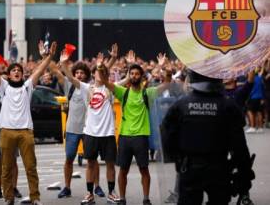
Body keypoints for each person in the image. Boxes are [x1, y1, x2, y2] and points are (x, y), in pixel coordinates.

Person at [0, 40, 57, 205]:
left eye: (19, 70)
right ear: (9, 75)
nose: (17, 72)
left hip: (26, 132)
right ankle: (9, 198)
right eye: (14, 70)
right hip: (6, 132)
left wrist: (50, 57)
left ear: (22, 74)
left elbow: (39, 70)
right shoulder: (3, 86)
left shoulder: (27, 86)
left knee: (31, 167)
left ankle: (35, 198)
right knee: (6, 168)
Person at [160, 70, 254, 205]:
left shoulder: (181, 105)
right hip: (219, 168)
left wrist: (178, 160)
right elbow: (239, 145)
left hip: (190, 168)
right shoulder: (228, 105)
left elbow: (167, 134)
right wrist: (244, 172)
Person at [98, 62, 172, 205]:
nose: (134, 76)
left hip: (141, 137)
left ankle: (146, 198)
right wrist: (101, 67)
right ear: (129, 76)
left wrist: (167, 71)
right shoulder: (123, 92)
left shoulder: (148, 93)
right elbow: (105, 82)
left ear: (141, 77)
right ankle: (122, 199)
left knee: (144, 169)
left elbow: (167, 84)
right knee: (123, 170)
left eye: (137, 74)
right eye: (132, 74)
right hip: (125, 137)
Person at [60, 44, 120, 205]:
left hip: (107, 133)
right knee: (90, 164)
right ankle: (89, 194)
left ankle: (111, 193)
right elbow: (72, 79)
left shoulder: (111, 89)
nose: (99, 74)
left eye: (102, 72)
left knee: (109, 164)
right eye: (96, 72)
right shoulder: (87, 88)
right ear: (92, 75)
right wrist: (64, 64)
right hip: (91, 133)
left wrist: (113, 58)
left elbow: (121, 77)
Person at [47, 60, 105, 199]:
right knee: (69, 159)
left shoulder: (91, 87)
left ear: (86, 75)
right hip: (72, 129)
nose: (79, 75)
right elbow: (55, 71)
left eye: (82, 73)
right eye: (77, 72)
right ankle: (67, 188)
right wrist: (47, 57)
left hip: (88, 129)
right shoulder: (69, 85)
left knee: (92, 160)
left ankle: (97, 187)